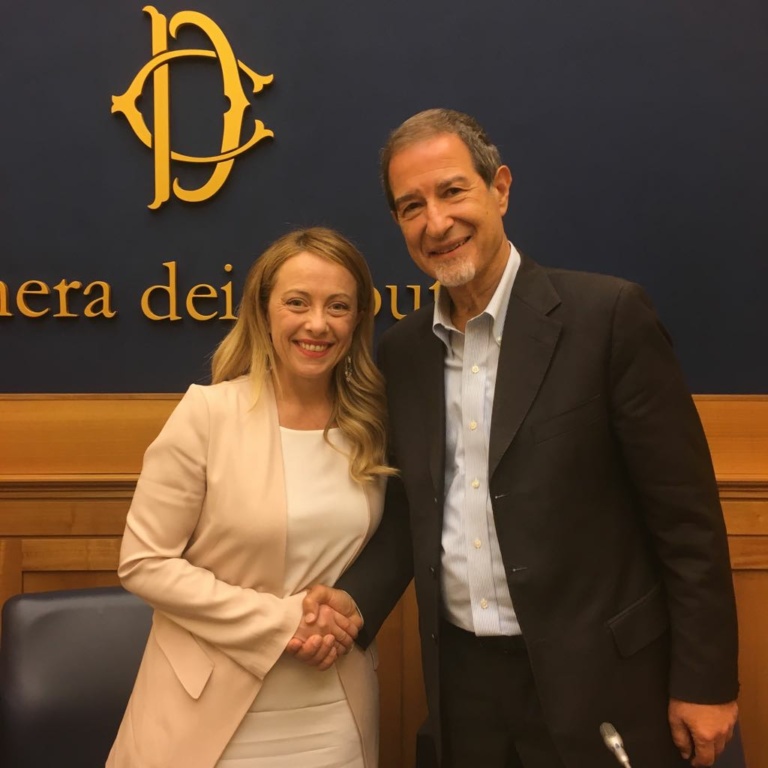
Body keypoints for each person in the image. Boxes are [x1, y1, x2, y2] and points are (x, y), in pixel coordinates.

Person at [289, 110, 740, 768]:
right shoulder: (403, 353)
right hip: (464, 689)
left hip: (602, 681)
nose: (436, 222)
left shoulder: (608, 319)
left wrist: (705, 680)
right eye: (412, 206)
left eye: (452, 191)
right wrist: (352, 603)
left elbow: (686, 518)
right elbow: (413, 512)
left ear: (499, 188)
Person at [107, 227, 393, 768]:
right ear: (263, 311)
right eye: (297, 302)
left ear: (357, 321)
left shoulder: (371, 424)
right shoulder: (207, 414)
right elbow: (144, 563)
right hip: (208, 715)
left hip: (334, 711)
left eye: (337, 306)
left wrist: (344, 611)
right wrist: (282, 622)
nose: (317, 324)